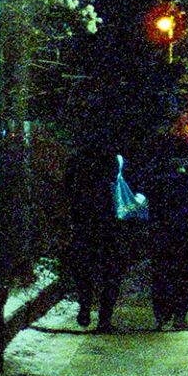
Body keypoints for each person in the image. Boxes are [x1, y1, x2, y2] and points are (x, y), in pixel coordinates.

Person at [141, 127, 188, 330]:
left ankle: (161, 314)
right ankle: (179, 314)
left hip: (160, 228)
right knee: (183, 273)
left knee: (161, 272)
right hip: (182, 229)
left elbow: (146, 196)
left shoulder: (155, 171)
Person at [63, 130, 126, 332]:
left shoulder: (77, 159)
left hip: (82, 218)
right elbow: (115, 179)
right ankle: (104, 316)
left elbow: (66, 186)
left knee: (83, 266)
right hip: (105, 217)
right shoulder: (110, 158)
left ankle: (85, 304)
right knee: (110, 269)